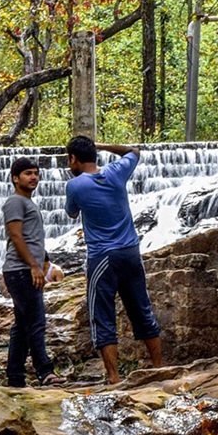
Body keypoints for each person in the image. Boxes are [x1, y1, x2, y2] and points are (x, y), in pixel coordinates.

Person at [64, 135, 163, 384]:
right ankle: (159, 369)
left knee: (103, 315)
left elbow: (72, 213)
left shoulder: (75, 186)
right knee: (142, 309)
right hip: (130, 252)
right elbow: (134, 150)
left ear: (73, 159)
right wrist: (100, 146)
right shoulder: (116, 171)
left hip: (102, 257)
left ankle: (114, 378)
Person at [2, 156, 63, 387]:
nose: (34, 177)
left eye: (36, 173)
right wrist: (33, 267)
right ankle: (45, 372)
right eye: (28, 173)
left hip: (24, 270)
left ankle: (15, 377)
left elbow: (32, 238)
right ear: (15, 178)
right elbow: (16, 236)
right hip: (20, 271)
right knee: (36, 322)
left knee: (22, 325)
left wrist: (45, 262)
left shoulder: (28, 203)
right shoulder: (15, 202)